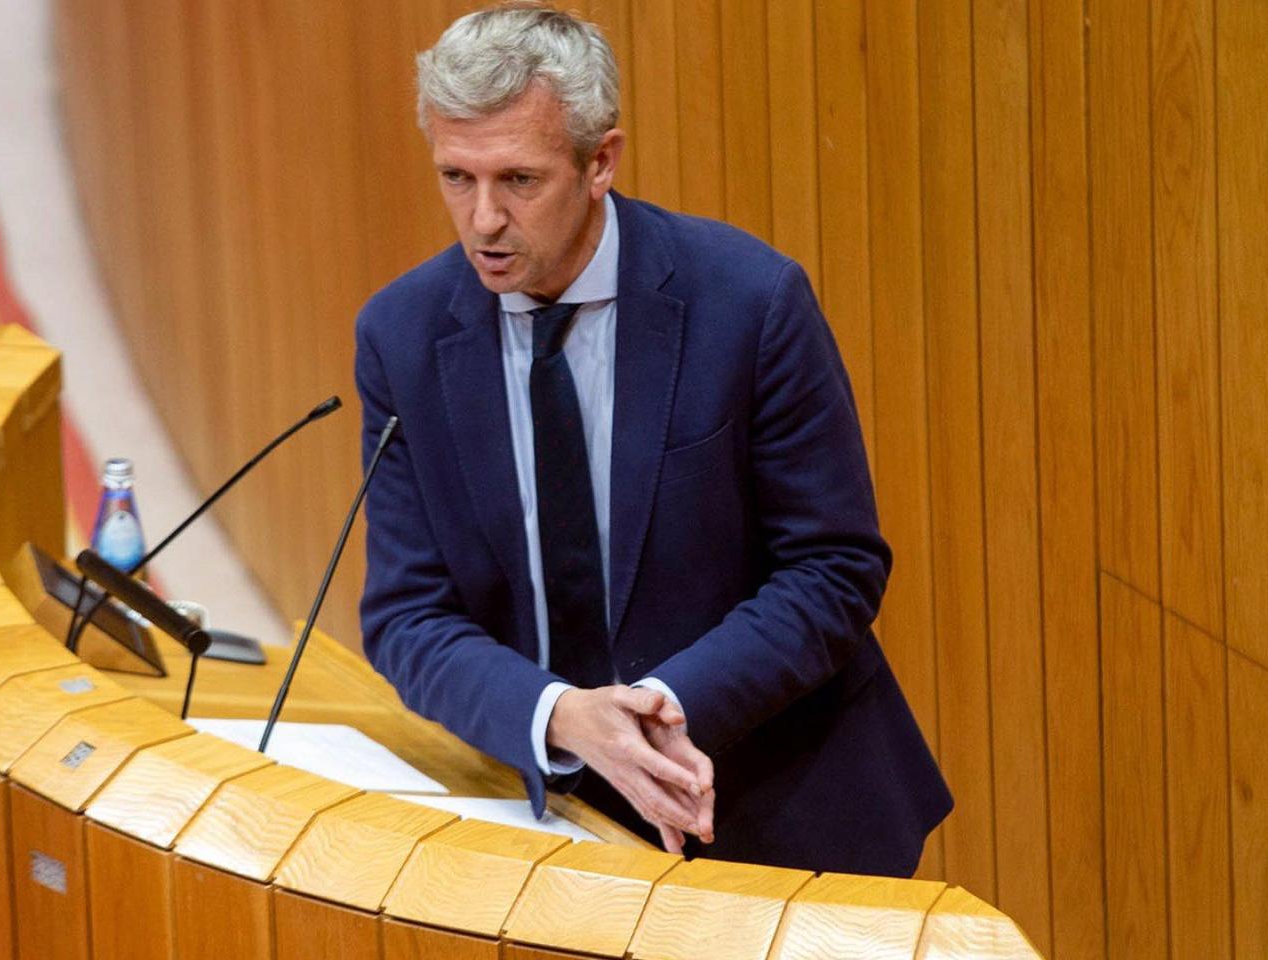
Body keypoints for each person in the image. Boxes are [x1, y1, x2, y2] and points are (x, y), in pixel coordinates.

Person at [353, 2, 950, 875]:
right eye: (456, 178)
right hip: (548, 824)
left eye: (518, 180)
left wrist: (657, 708)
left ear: (601, 162)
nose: (482, 221)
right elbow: (407, 616)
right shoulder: (402, 335)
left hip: (779, 807)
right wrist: (562, 716)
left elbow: (834, 569)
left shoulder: (749, 303)